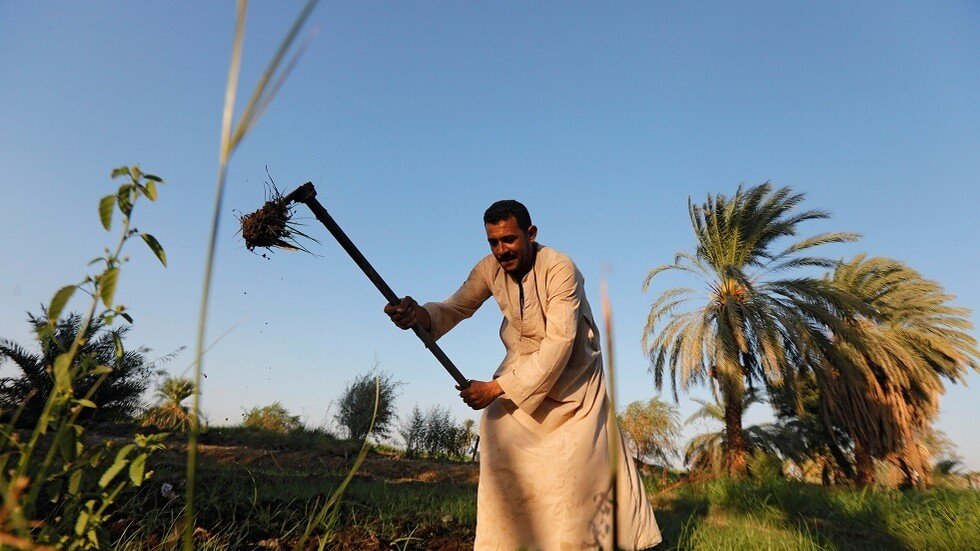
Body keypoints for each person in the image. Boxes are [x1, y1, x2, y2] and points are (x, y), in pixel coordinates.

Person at [385, 200, 661, 550]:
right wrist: (419, 316)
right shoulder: (489, 268)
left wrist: (497, 387)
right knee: (497, 429)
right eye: (493, 242)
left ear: (530, 234)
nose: (501, 250)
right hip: (521, 370)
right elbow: (455, 307)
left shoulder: (560, 268)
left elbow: (560, 342)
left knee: (579, 475)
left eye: (509, 239)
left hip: (574, 381)